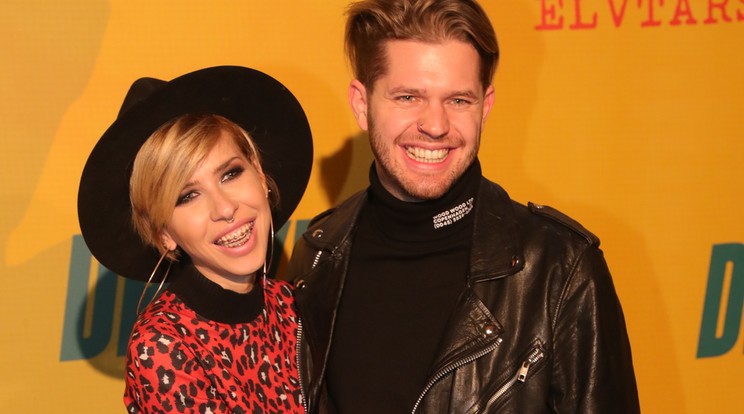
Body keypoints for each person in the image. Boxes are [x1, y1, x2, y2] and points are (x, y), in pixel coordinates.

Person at [287, 0, 640, 413]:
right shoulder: (318, 257)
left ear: (485, 107)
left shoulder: (560, 271)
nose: (436, 126)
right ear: (362, 104)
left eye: (458, 100)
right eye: (408, 97)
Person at [77, 66, 313, 413]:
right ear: (163, 234)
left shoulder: (293, 304)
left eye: (230, 174)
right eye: (187, 196)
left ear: (260, 175)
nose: (225, 208)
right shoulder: (163, 346)